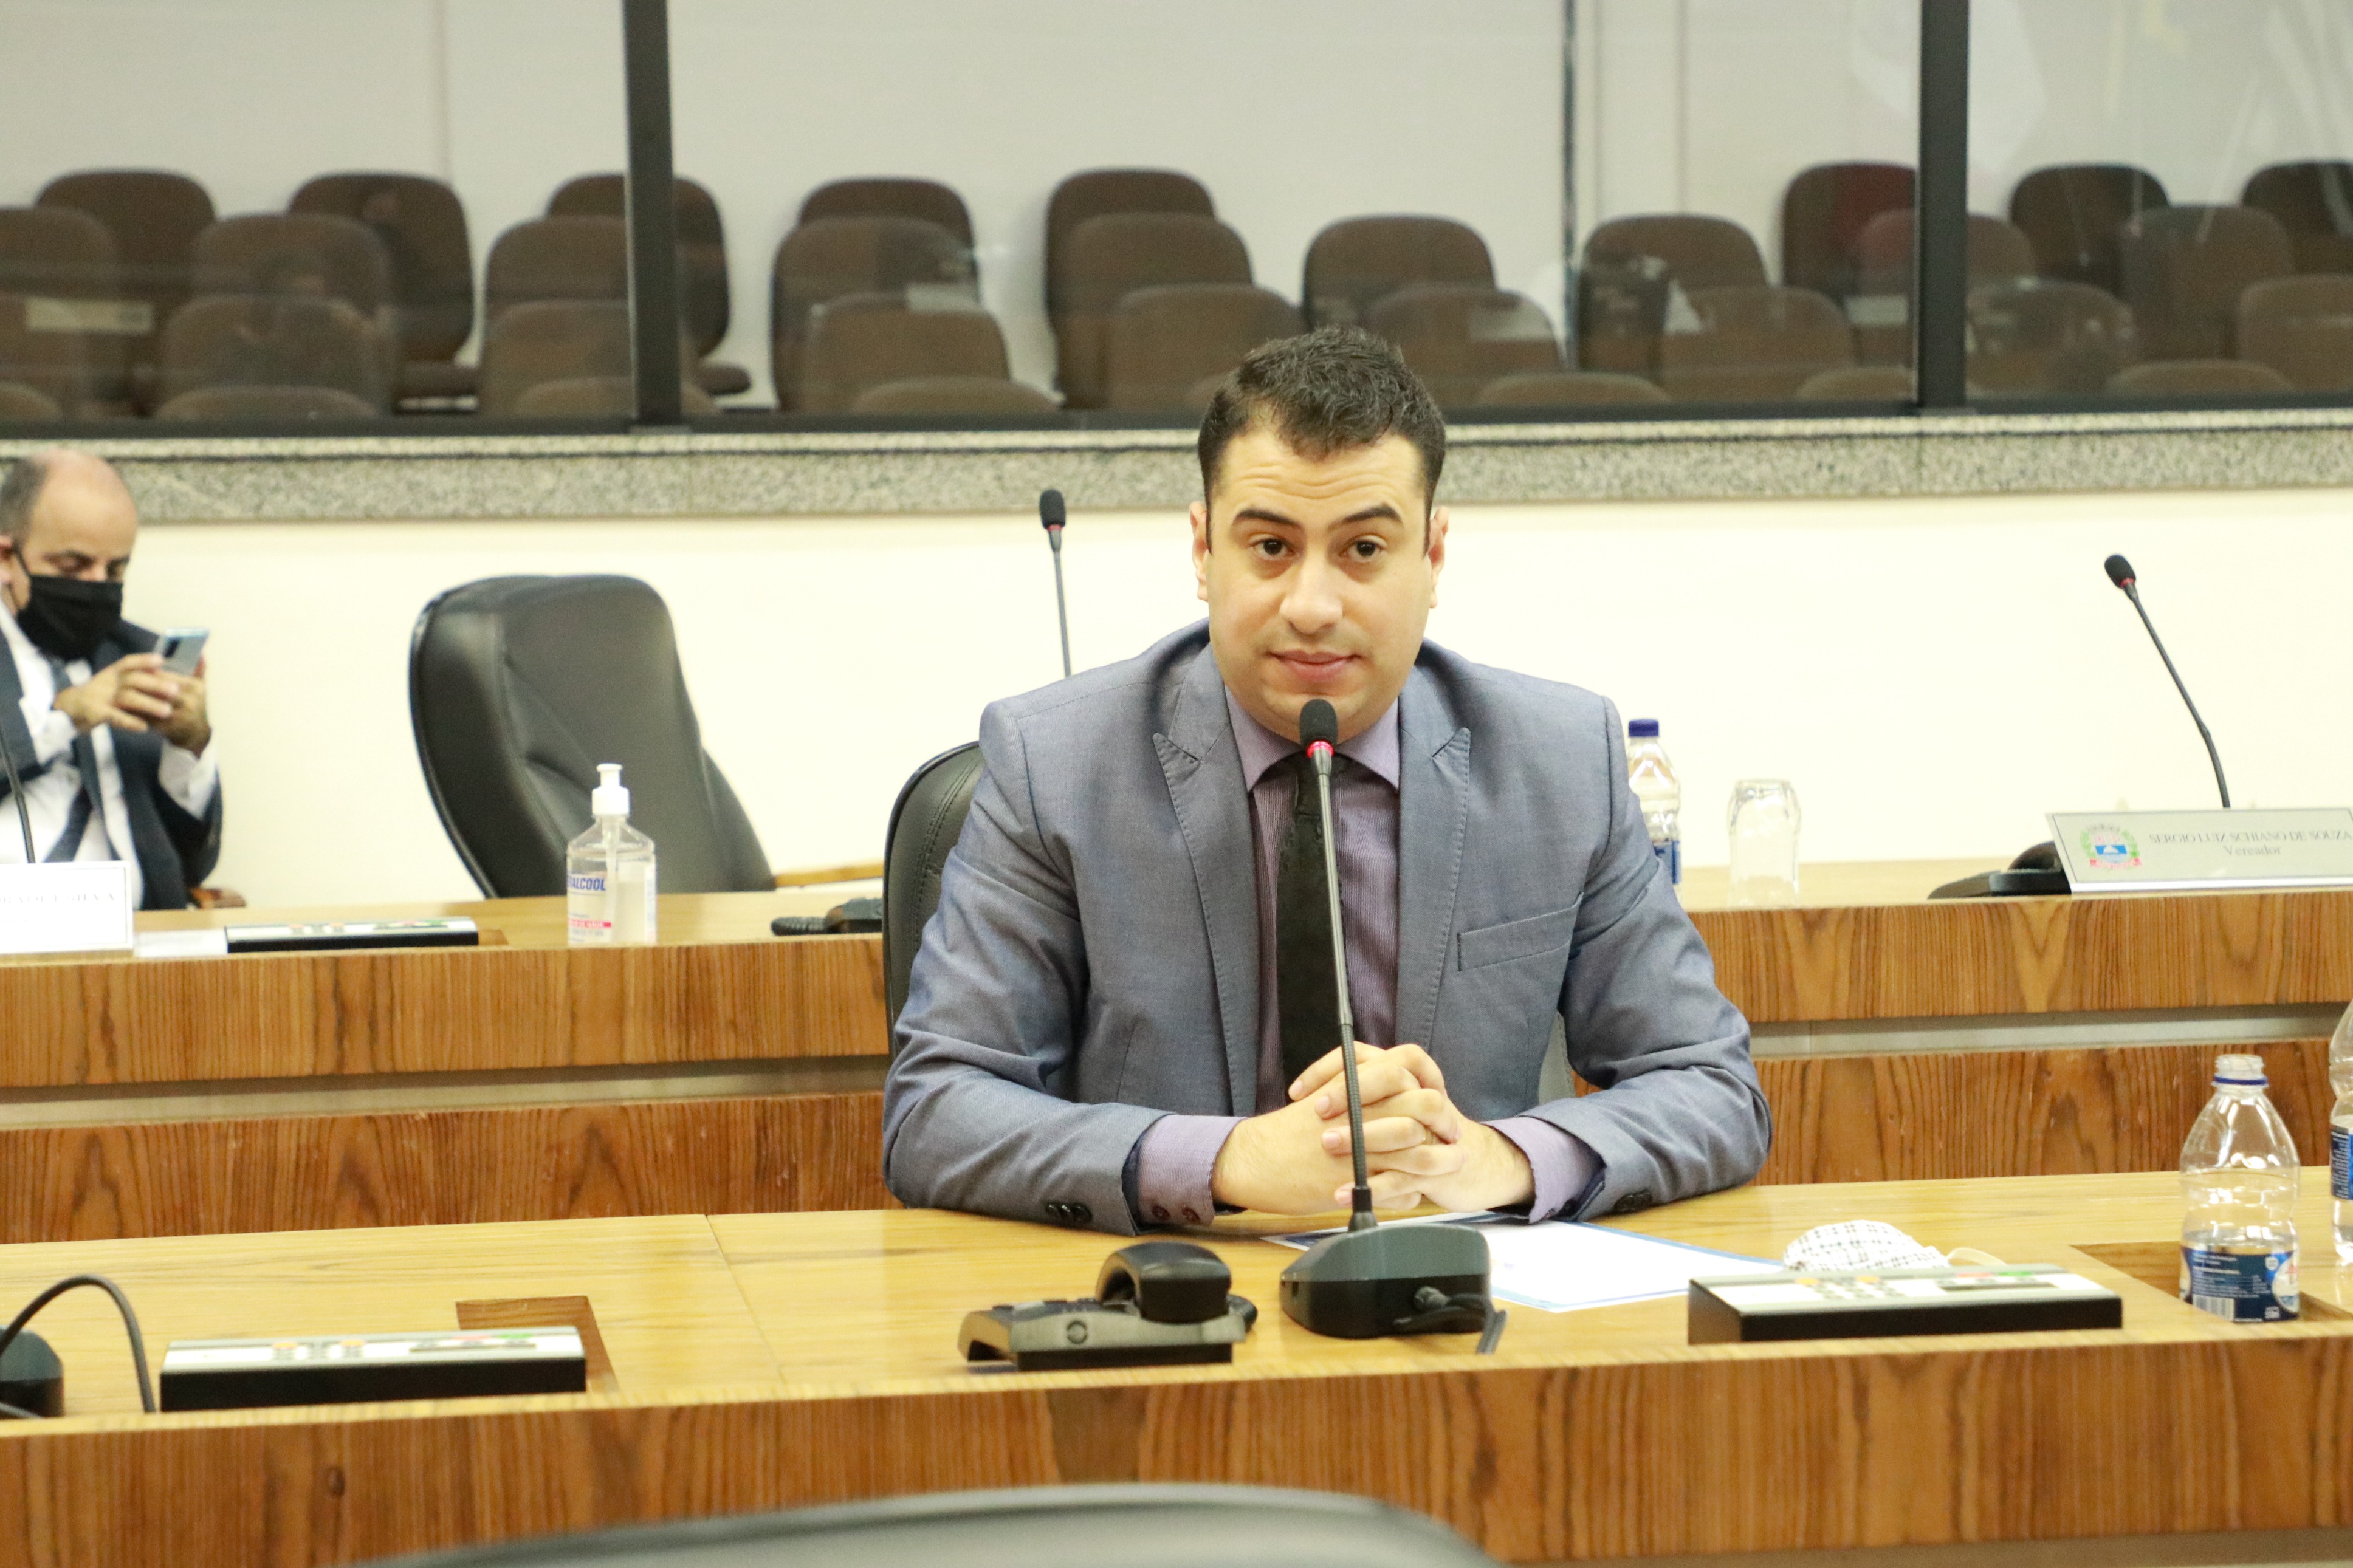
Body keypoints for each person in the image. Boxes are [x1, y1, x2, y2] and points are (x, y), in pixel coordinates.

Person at [885, 329, 1767, 1233]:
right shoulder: (1056, 765)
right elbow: (936, 1112)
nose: (1311, 607)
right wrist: (1226, 1161)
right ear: (1203, 551)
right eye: (1270, 546)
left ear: (1433, 557)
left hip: (1460, 1285)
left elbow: (1711, 1086)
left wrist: (1493, 1159)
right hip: (1173, 1285)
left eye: (1364, 548)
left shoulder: (1559, 762)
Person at [0, 449, 221, 909]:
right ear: (6, 558)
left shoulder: (137, 658)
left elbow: (194, 861)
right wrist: (65, 719)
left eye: (115, 570)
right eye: (73, 567)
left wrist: (190, 747)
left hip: (142, 939)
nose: (97, 586)